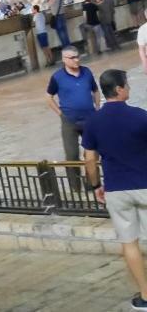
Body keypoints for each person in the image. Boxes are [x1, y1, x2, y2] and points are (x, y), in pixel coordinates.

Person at [82, 68, 147, 309]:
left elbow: (89, 159)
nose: (129, 88)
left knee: (129, 243)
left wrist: (96, 185)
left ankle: (146, 296)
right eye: (127, 85)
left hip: (116, 190)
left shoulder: (93, 121)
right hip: (145, 185)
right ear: (119, 89)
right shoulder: (141, 116)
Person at [46, 46, 100, 189]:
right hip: (69, 121)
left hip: (90, 120)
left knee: (92, 154)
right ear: (64, 59)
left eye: (78, 56)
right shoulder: (57, 77)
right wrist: (60, 114)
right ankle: (75, 188)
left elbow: (95, 91)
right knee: (71, 155)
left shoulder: (87, 72)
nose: (76, 60)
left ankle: (92, 185)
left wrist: (97, 108)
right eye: (72, 58)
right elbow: (48, 97)